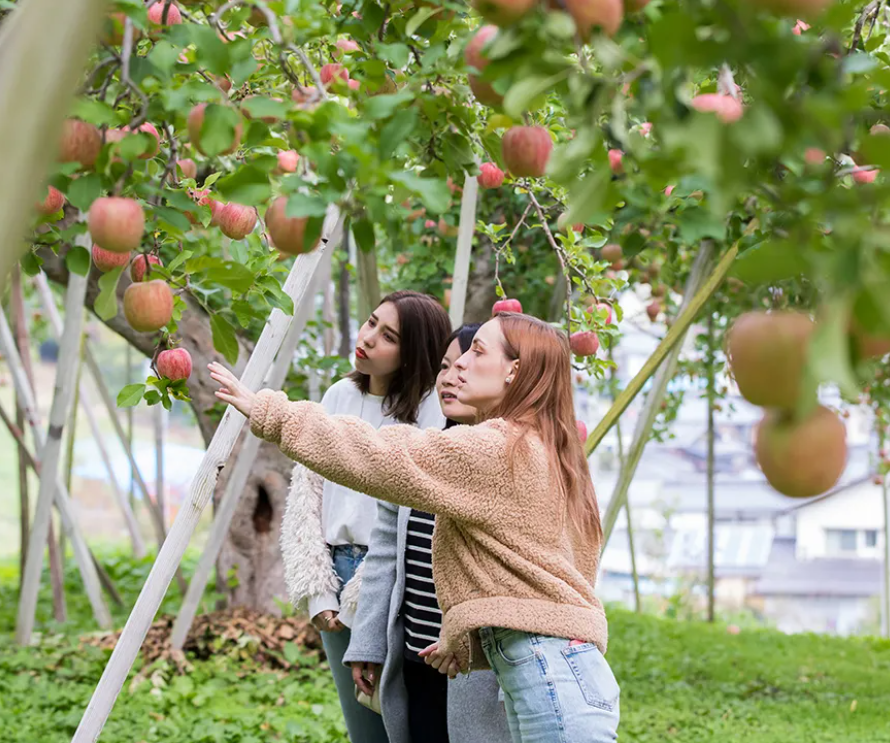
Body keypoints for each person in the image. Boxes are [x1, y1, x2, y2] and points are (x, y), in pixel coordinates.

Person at [211, 313, 620, 743]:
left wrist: (271, 413)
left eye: (478, 352)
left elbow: (382, 455)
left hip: (550, 675)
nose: (459, 363)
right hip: (567, 667)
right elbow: (543, 572)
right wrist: (465, 632)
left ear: (514, 370)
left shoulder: (498, 446)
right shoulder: (548, 446)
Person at [278, 290, 450, 743]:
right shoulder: (338, 394)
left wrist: (366, 598)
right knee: (364, 726)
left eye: (388, 335)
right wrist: (317, 593)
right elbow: (307, 496)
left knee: (404, 719)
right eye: (371, 322)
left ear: (413, 353)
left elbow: (416, 517)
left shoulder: (432, 409)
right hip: (334, 574)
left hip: (395, 582)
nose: (369, 338)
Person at [344, 324, 510, 743]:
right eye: (444, 365)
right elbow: (383, 554)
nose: (450, 376)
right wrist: (368, 643)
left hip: (479, 672)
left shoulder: (511, 465)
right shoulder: (421, 454)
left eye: (466, 365)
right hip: (414, 660)